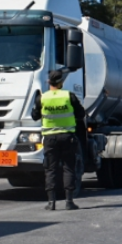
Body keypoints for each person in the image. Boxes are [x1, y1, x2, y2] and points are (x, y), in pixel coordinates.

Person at [31, 69, 87, 210]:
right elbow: (81, 114)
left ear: (48, 82)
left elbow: (35, 116)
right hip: (67, 137)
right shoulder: (69, 96)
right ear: (61, 82)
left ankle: (51, 203)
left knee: (51, 169)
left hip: (50, 139)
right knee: (69, 168)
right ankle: (69, 202)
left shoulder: (42, 98)